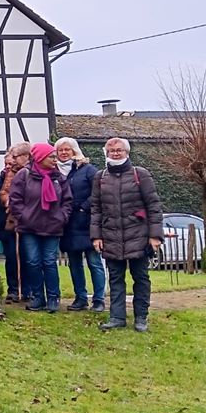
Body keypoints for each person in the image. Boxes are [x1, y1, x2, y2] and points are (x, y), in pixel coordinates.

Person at [91, 137, 164, 332]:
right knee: (115, 278)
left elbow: (154, 206)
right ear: (106, 153)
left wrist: (155, 235)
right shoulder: (100, 177)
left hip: (138, 235)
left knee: (140, 277)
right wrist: (96, 236)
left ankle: (141, 317)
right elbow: (96, 209)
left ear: (127, 152)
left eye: (119, 150)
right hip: (111, 236)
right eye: (111, 150)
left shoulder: (141, 174)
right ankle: (117, 317)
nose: (115, 153)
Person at [9, 143, 71, 312]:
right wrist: (24, 217)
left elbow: (67, 201)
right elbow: (15, 200)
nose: (54, 159)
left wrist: (62, 217)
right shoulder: (24, 175)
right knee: (33, 262)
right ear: (41, 157)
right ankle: (38, 297)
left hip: (52, 227)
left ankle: (53, 297)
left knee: (49, 262)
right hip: (29, 228)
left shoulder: (59, 177)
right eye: (51, 156)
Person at [56, 136, 104, 312]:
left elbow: (98, 192)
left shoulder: (88, 170)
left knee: (94, 262)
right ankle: (80, 298)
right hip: (68, 224)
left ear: (74, 151)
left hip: (87, 222)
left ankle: (99, 299)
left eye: (67, 149)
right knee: (74, 263)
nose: (63, 153)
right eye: (60, 150)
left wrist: (84, 208)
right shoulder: (56, 172)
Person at [0, 142, 31, 303]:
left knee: (28, 256)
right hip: (12, 219)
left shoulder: (32, 171)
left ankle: (28, 290)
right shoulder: (11, 172)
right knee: (12, 256)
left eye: (16, 156)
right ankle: (13, 290)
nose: (13, 160)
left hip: (29, 219)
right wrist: (8, 202)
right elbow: (4, 191)